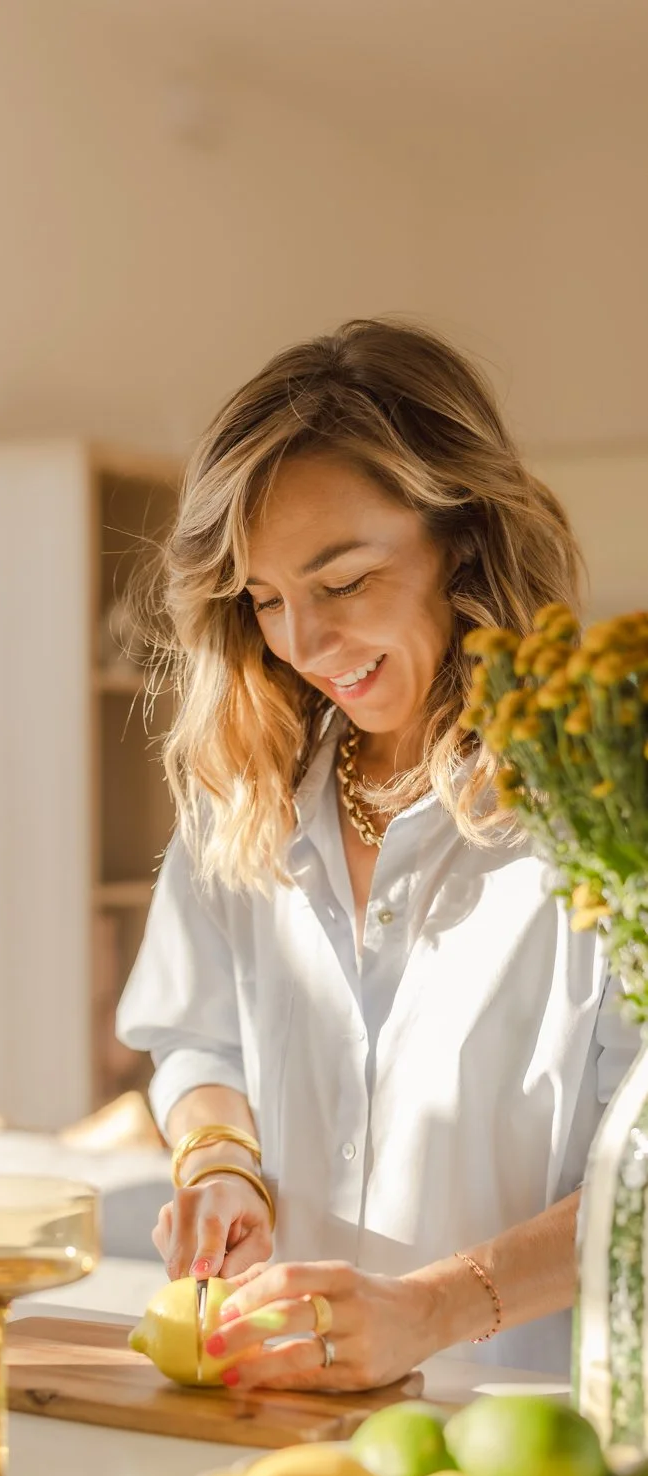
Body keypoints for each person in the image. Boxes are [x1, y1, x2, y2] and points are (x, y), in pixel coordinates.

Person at [116, 319, 638, 1384]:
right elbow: (196, 1045)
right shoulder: (241, 797)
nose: (301, 645)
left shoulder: (601, 823)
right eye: (262, 599)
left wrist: (437, 1309)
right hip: (289, 1415)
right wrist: (221, 1165)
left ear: (464, 536)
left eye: (342, 581)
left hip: (545, 1446)